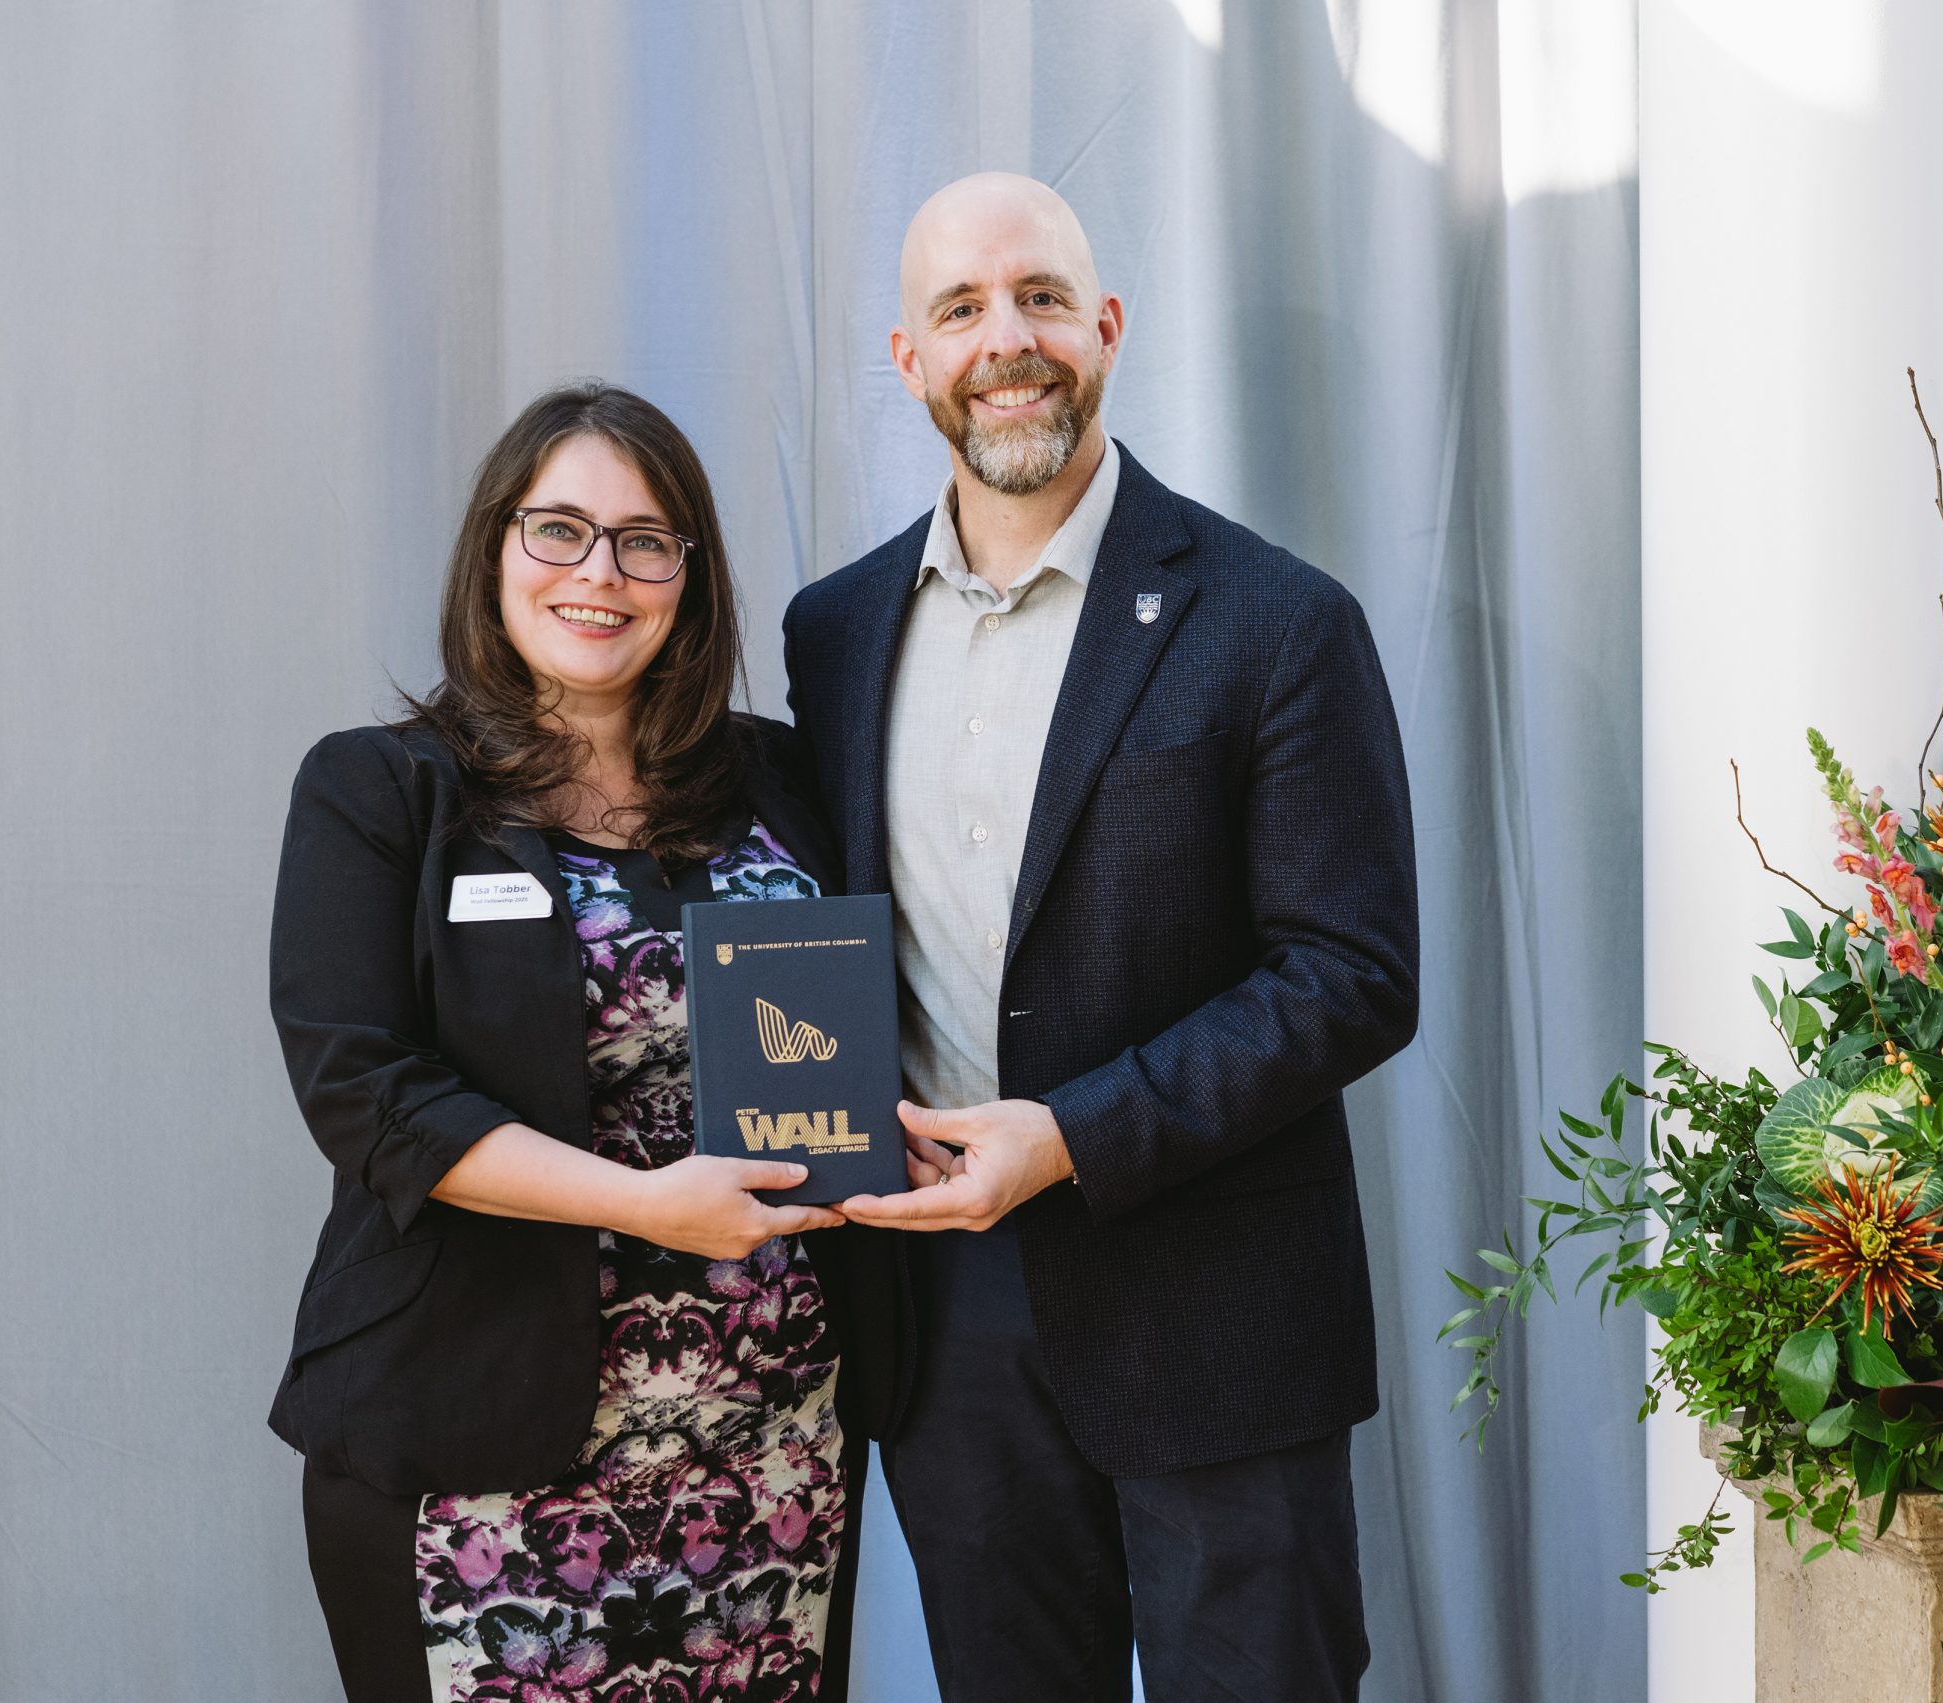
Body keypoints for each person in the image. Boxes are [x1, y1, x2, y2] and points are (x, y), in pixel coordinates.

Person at [781, 173, 1419, 1701]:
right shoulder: (835, 629)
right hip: (944, 1315)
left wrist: (1070, 1135)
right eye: (961, 309)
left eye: (1042, 299)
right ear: (909, 359)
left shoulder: (1277, 618)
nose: (1008, 339)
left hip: (1218, 1308)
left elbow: (1354, 973)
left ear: (1109, 328)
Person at [268, 383, 897, 1703]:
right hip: (479, 1449)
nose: (599, 573)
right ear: (495, 547)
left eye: (645, 540)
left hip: (771, 1446)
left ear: (690, 577)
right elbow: (363, 1096)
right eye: (558, 529)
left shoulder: (786, 781)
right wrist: (650, 1206)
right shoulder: (381, 791)